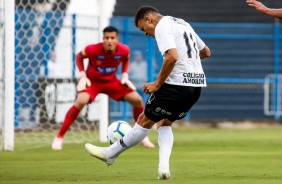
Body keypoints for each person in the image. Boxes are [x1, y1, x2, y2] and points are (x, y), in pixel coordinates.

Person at [84, 6, 211, 180]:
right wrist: (190, 63)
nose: (145, 33)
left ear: (149, 19)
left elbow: (172, 57)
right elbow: (206, 52)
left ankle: (110, 154)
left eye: (144, 28)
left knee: (144, 119)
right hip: (195, 87)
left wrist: (157, 84)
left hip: (176, 85)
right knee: (165, 122)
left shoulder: (162, 26)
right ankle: (163, 168)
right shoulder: (183, 24)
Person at [52, 26, 155, 150]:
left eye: (112, 38)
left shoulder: (124, 50)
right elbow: (79, 57)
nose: (109, 41)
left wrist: (125, 75)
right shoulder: (92, 49)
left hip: (112, 82)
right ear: (103, 39)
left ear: (117, 39)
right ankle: (59, 137)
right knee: (80, 101)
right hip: (93, 83)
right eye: (107, 38)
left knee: (137, 100)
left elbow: (126, 59)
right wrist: (83, 75)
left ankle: (142, 137)